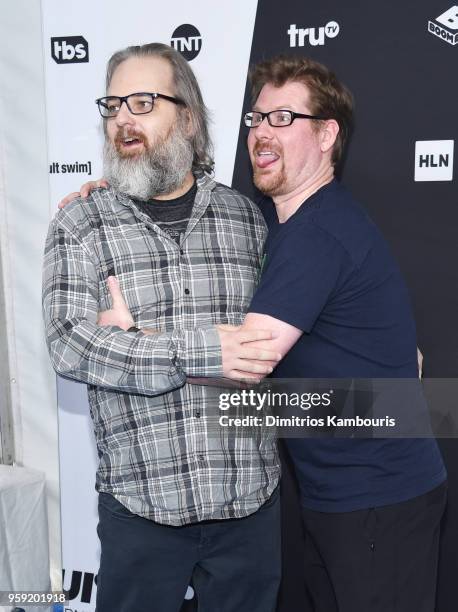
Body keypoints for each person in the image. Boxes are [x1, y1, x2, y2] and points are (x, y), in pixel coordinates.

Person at [73, 55, 448, 612]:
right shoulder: (279, 223)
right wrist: (118, 183)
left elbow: (245, 360)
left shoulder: (316, 233)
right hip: (344, 495)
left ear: (326, 135)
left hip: (376, 498)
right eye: (257, 119)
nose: (263, 132)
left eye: (283, 118)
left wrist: (134, 331)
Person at [42, 43, 283, 612]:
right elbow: (69, 344)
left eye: (144, 102)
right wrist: (200, 351)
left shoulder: (245, 218)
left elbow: (285, 336)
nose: (123, 117)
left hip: (248, 504)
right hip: (141, 511)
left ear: (189, 118)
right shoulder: (81, 222)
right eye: (113, 104)